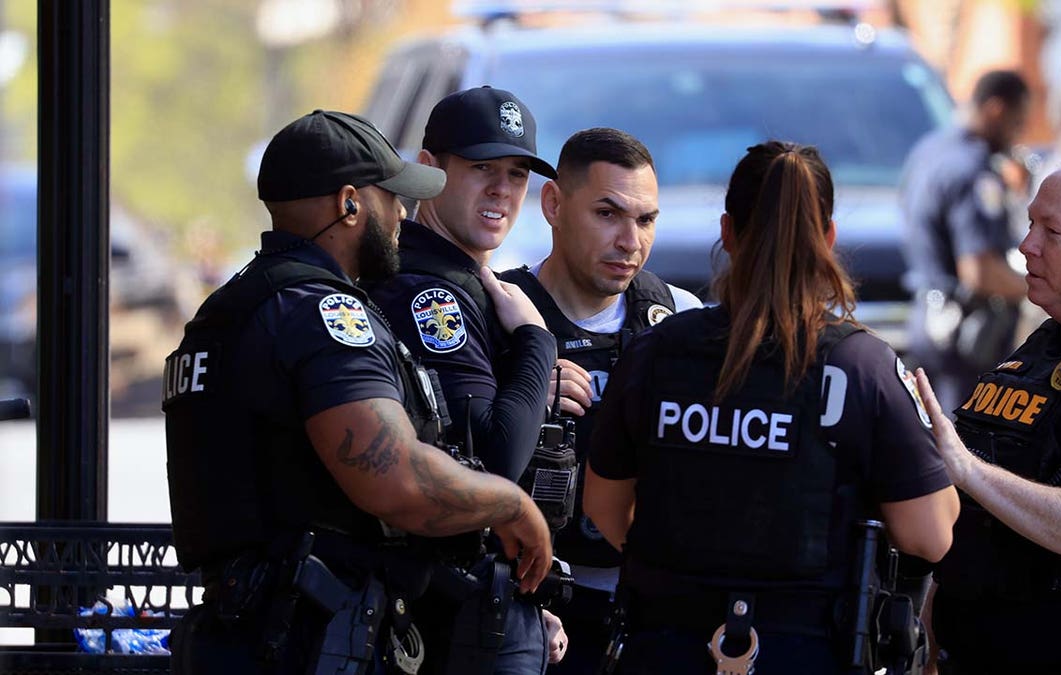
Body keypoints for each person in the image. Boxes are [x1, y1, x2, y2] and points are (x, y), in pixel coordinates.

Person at [162, 109, 552, 674]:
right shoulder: (322, 312)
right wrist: (511, 503)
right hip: (301, 638)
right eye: (390, 197)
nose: (401, 213)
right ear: (349, 204)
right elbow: (397, 481)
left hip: (245, 629)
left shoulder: (229, 309)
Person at [582, 141, 961, 674]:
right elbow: (931, 534)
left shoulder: (659, 349)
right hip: (804, 650)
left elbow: (604, 505)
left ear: (727, 232)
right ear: (827, 238)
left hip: (665, 645)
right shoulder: (860, 366)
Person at [365, 86, 566, 673]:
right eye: (481, 168)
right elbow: (494, 458)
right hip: (444, 605)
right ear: (429, 171)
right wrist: (536, 346)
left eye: (517, 173)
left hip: (474, 591)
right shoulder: (431, 290)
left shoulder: (471, 280)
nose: (502, 190)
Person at [497, 127, 702, 674]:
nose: (630, 242)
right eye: (608, 214)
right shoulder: (497, 314)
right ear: (554, 205)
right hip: (530, 604)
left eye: (645, 220)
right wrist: (520, 392)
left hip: (653, 605)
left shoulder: (680, 317)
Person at [914, 158, 1061, 675]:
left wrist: (967, 469)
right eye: (1031, 222)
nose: (1025, 246)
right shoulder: (1047, 339)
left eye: (1051, 231)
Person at [900, 69, 1033, 407]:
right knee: (962, 444)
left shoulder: (928, 150)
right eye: (1017, 122)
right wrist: (1036, 289)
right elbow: (980, 271)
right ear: (996, 110)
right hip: (963, 335)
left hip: (928, 320)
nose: (1018, 134)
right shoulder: (972, 170)